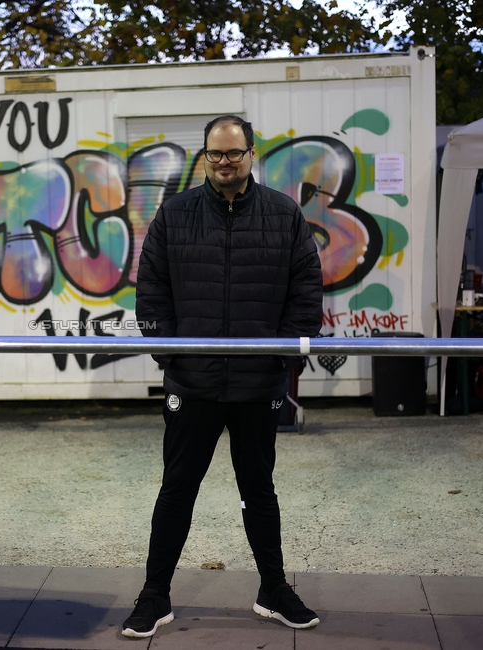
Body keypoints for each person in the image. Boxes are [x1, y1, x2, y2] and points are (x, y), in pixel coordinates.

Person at [123, 114, 324, 638]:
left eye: (234, 153)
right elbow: (150, 294)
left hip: (259, 386)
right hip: (193, 385)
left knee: (260, 490)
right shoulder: (175, 215)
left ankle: (273, 589)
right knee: (176, 490)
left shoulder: (283, 215)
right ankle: (154, 595)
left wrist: (282, 362)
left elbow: (306, 293)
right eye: (215, 154)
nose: (225, 162)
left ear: (252, 154)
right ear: (205, 157)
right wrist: (171, 358)